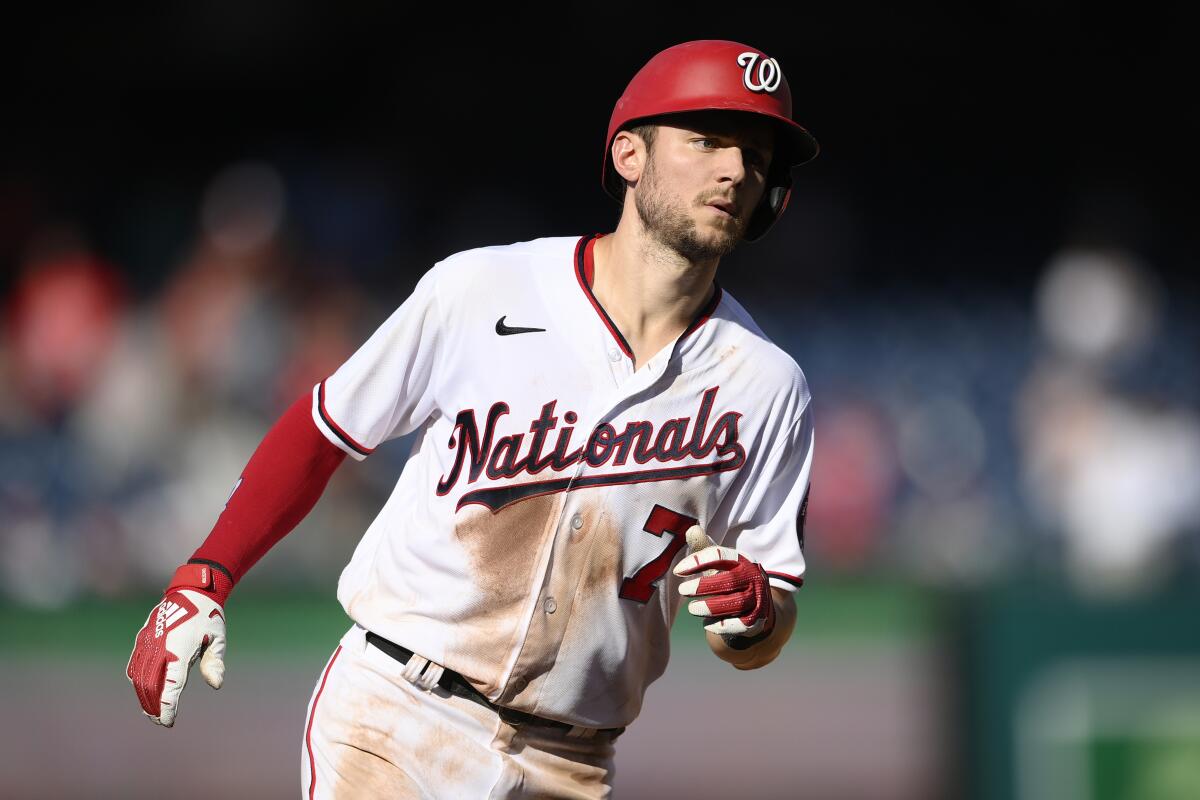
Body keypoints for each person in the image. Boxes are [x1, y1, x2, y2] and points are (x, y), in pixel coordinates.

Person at [127, 39, 818, 798]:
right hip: (396, 712)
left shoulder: (766, 383)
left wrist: (755, 620)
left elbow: (763, 621)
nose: (735, 171)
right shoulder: (484, 289)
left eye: (756, 157)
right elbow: (324, 429)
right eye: (709, 140)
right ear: (629, 154)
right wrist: (203, 577)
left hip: (574, 760)